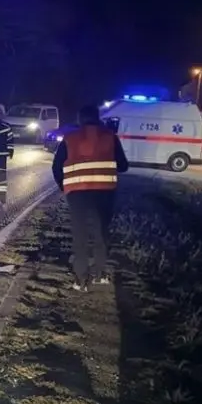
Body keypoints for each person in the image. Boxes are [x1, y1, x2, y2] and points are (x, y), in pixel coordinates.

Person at [51, 104, 130, 291]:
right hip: (104, 192)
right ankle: (100, 275)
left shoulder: (70, 138)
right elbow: (123, 165)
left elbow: (56, 166)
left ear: (80, 119)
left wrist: (64, 186)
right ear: (98, 117)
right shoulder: (110, 137)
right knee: (100, 233)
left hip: (76, 193)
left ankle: (80, 280)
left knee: (80, 234)